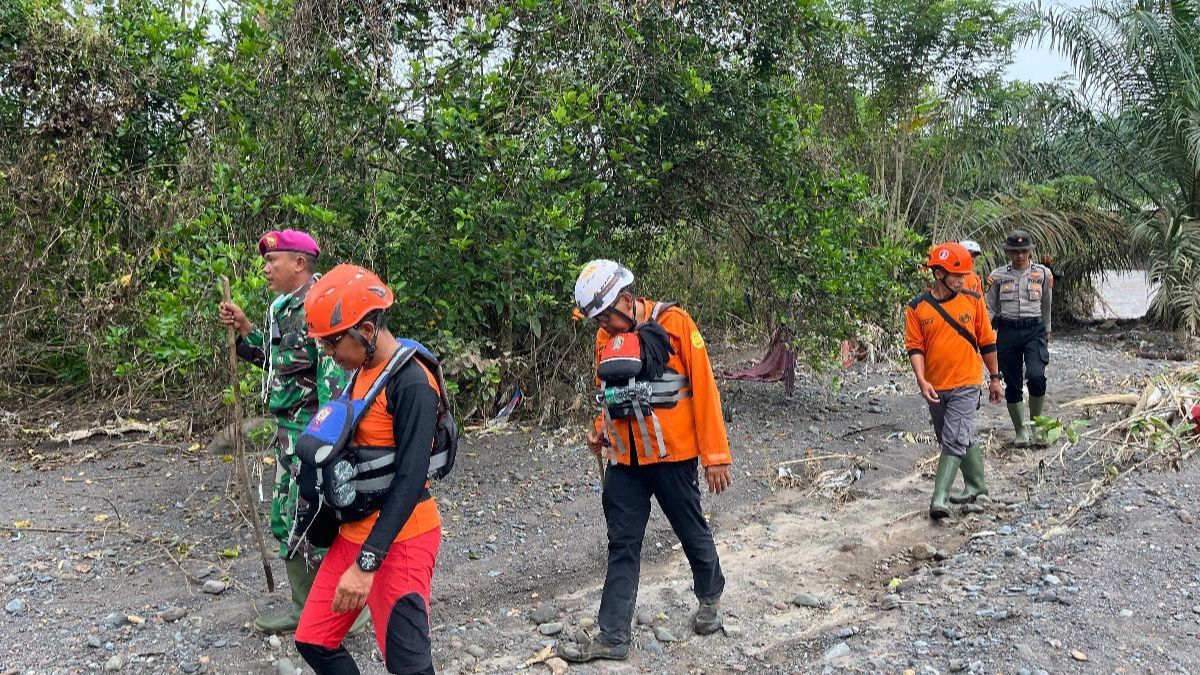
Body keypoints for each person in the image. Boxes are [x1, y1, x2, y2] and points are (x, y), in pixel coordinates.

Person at [558, 259, 733, 663]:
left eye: (605, 315)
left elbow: (705, 388)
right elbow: (609, 390)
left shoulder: (676, 323)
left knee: (690, 529)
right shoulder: (605, 338)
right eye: (596, 318)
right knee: (622, 543)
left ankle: (709, 597)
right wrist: (598, 427)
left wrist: (716, 456)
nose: (603, 325)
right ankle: (613, 636)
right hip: (625, 460)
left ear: (625, 299)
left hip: (673, 455)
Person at [293, 264, 443, 675]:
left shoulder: (411, 382)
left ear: (368, 327)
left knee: (407, 664)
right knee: (314, 640)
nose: (330, 354)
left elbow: (411, 480)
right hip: (354, 533)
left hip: (403, 538)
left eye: (333, 342)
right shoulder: (360, 373)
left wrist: (367, 564)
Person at [218, 229, 368, 635]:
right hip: (288, 433)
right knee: (287, 521)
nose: (266, 269)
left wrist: (328, 447)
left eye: (273, 261)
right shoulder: (285, 309)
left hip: (313, 436)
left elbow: (336, 385)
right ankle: (305, 607)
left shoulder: (321, 308)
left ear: (299, 264)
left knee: (317, 518)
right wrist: (246, 329)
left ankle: (349, 612)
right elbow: (276, 365)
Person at [905, 242, 1005, 519]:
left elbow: (987, 342)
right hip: (936, 385)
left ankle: (939, 499)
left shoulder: (973, 301)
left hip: (967, 381)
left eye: (965, 275)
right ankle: (976, 485)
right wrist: (921, 380)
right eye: (957, 275)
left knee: (953, 437)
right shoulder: (916, 308)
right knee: (952, 435)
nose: (963, 280)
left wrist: (995, 379)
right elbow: (915, 347)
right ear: (938, 274)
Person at [985, 230, 1053, 447]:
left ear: (1029, 252)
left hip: (1034, 329)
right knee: (1012, 383)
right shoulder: (996, 276)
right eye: (1015, 252)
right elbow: (989, 306)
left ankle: (1037, 426)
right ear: (1008, 252)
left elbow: (1046, 304)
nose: (1020, 256)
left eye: (1023, 251)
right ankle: (1020, 430)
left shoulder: (1043, 274)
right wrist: (985, 332)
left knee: (1036, 376)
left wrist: (1047, 329)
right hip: (1008, 331)